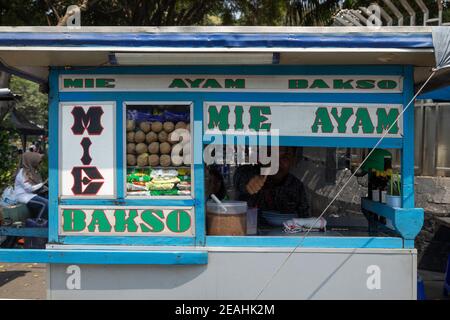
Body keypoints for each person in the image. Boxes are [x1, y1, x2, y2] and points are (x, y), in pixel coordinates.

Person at [233, 146, 309, 217]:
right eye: (271, 156)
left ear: (293, 160)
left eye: (285, 157)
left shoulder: (296, 186)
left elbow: (305, 218)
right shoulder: (248, 172)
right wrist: (249, 183)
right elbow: (240, 178)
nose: (277, 163)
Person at [14, 152, 48, 220]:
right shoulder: (23, 173)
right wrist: (42, 184)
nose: (39, 164)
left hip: (32, 195)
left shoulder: (33, 171)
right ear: (31, 161)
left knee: (50, 198)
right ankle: (38, 223)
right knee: (46, 204)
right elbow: (29, 189)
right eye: (38, 162)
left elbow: (38, 186)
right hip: (24, 196)